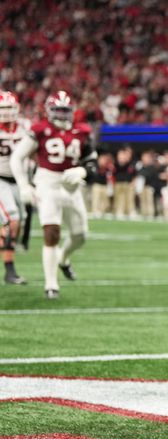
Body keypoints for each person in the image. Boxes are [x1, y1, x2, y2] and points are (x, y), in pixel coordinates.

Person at [10, 91, 97, 299]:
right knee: (52, 232)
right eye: (58, 110)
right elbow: (17, 157)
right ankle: (51, 285)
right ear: (49, 111)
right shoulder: (40, 130)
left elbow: (93, 162)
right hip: (47, 182)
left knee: (80, 235)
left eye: (65, 111)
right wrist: (24, 185)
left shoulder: (82, 131)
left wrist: (83, 170)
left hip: (71, 185)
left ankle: (63, 259)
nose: (61, 115)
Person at [0, 91, 28, 284]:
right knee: (13, 220)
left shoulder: (26, 127)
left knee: (20, 222)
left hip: (20, 180)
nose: (7, 112)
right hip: (0, 179)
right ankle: (9, 271)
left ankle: (10, 269)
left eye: (10, 108)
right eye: (3, 108)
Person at [112, 146, 136, 218]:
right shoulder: (116, 162)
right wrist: (121, 160)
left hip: (128, 183)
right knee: (119, 198)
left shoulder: (132, 162)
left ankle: (130, 212)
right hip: (118, 182)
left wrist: (133, 182)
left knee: (129, 198)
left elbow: (134, 173)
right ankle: (119, 211)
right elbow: (115, 171)